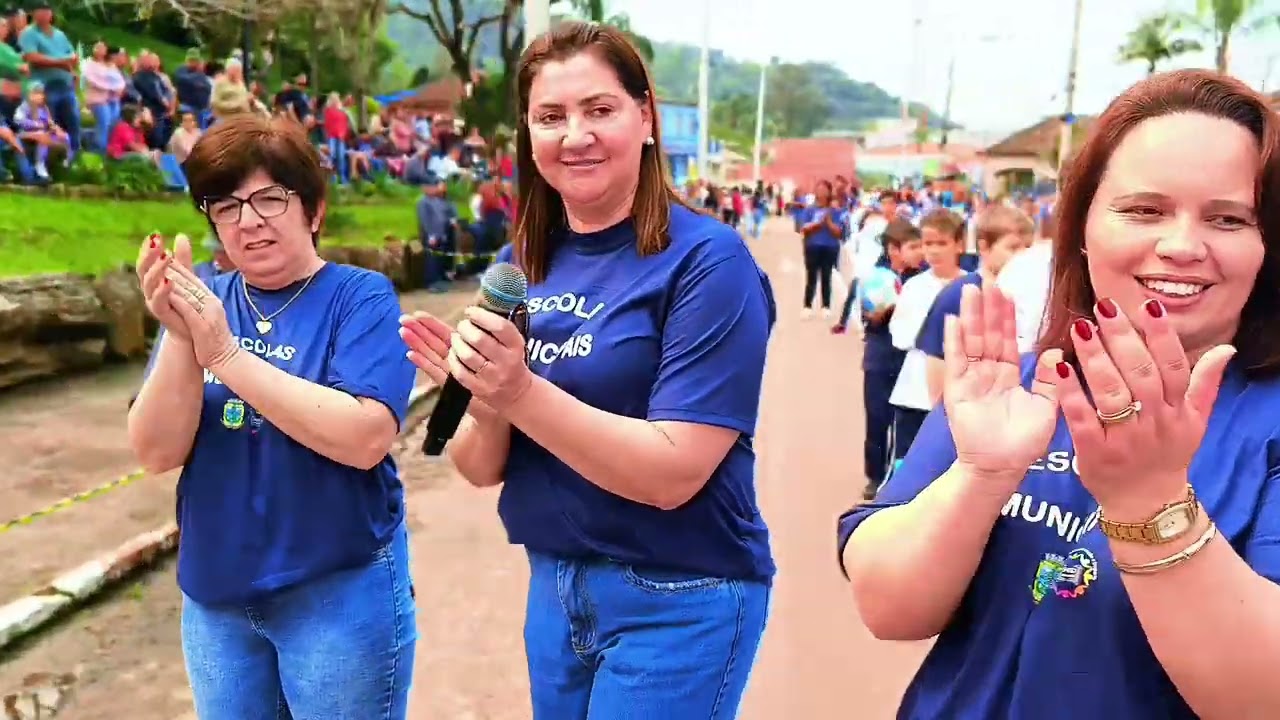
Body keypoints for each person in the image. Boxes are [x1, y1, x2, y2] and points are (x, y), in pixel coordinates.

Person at [838, 70, 1280, 719]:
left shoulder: (1265, 424)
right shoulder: (1013, 386)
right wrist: (983, 473)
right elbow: (888, 606)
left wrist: (1150, 506)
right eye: (1144, 209)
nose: (1183, 245)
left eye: (1227, 218)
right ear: (1081, 227)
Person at [399, 21, 774, 719]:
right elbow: (483, 468)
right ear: (529, 136)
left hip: (678, 596)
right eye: (551, 117)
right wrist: (483, 400)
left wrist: (518, 388)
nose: (576, 135)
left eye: (599, 110)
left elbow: (673, 472)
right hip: (557, 588)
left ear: (646, 119)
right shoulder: (524, 265)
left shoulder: (710, 264)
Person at [127, 114, 417, 719]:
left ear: (312, 209)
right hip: (217, 599)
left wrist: (227, 356)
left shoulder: (358, 297)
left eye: (268, 198)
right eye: (226, 205)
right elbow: (156, 452)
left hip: (335, 588)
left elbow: (366, 436)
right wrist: (182, 339)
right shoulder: (203, 298)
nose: (248, 220)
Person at [917, 204, 1035, 405]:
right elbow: (936, 363)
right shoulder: (960, 294)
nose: (1023, 256)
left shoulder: (1026, 291)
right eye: (1013, 247)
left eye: (1028, 247)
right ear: (984, 247)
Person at [885, 208, 967, 465]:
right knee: (906, 463)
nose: (933, 251)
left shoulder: (972, 285)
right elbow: (898, 335)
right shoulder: (914, 287)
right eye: (927, 244)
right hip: (913, 394)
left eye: (942, 243)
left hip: (957, 393)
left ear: (959, 245)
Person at [859, 219, 925, 500]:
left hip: (911, 362)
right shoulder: (876, 277)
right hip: (881, 358)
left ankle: (903, 479)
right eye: (913, 247)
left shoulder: (922, 281)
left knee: (908, 425)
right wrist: (894, 306)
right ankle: (875, 476)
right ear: (893, 249)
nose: (920, 252)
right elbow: (871, 316)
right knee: (878, 421)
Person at [798, 178, 847, 319]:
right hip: (812, 246)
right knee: (811, 277)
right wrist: (817, 224)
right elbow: (803, 228)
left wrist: (829, 222)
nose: (821, 192)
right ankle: (807, 306)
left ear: (828, 192)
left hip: (830, 247)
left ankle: (826, 307)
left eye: (824, 189)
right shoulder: (810, 209)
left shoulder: (835, 211)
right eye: (819, 189)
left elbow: (839, 233)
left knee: (826, 277)